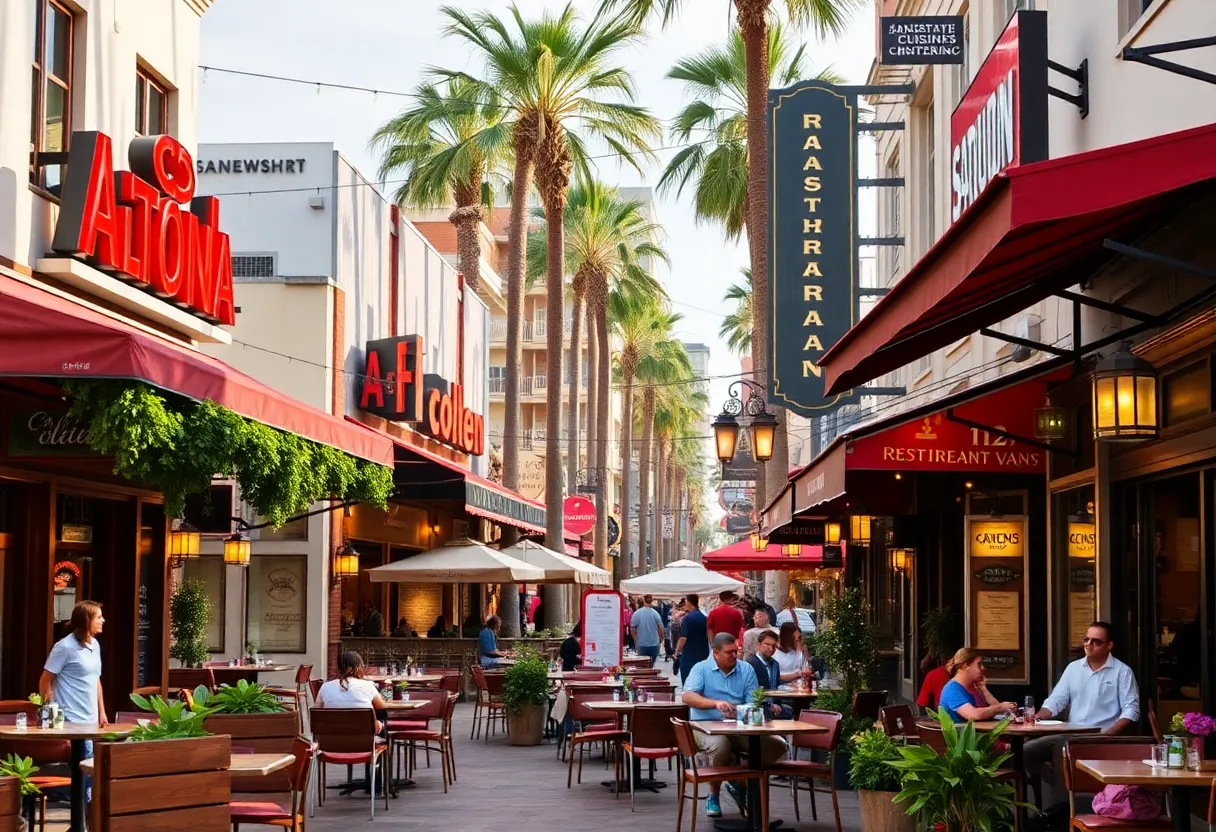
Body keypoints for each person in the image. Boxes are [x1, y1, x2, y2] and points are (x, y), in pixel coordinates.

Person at [1025, 622, 1140, 807]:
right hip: (1072, 732)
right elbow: (1057, 700)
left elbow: (1131, 710)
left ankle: (1066, 806)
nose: (1088, 644)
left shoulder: (1122, 672)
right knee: (1028, 750)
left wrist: (1109, 733)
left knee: (1061, 747)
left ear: (1109, 645)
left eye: (1096, 641)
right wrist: (1038, 716)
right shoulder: (1074, 668)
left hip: (1101, 735)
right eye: (1086, 639)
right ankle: (1053, 794)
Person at [683, 633, 788, 818]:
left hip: (739, 726)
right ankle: (714, 794)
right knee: (720, 745)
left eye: (736, 651)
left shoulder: (746, 669)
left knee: (778, 745)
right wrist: (715, 703)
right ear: (715, 652)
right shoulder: (701, 669)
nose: (734, 655)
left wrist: (740, 711)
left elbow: (754, 700)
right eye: (729, 652)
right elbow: (688, 696)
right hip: (704, 726)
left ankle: (740, 783)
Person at [41, 601, 107, 805]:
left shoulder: (94, 645)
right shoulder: (65, 647)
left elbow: (96, 680)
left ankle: (81, 819)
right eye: (98, 617)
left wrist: (102, 712)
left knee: (90, 775)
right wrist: (49, 715)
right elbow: (45, 680)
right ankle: (83, 823)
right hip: (71, 719)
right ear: (87, 620)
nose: (103, 620)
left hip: (91, 720)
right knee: (87, 776)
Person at [316, 650, 387, 733]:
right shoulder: (368, 686)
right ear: (359, 667)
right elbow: (382, 708)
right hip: (363, 742)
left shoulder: (325, 687)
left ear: (338, 667)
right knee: (381, 720)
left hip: (331, 741)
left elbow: (316, 713)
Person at [937, 648, 1017, 722]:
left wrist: (983, 689)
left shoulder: (970, 687)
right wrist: (1000, 707)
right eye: (979, 664)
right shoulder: (952, 689)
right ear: (965, 666)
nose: (983, 668)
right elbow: (973, 715)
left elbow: (998, 711)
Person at [675, 594, 710, 685]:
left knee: (688, 682)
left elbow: (683, 638)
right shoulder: (703, 617)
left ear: (689, 603)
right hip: (703, 653)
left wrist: (677, 652)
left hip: (690, 655)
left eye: (685, 602)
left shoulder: (687, 618)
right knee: (701, 681)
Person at [630, 595, 665, 663]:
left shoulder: (637, 613)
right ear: (652, 601)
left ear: (644, 600)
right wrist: (661, 639)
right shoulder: (655, 613)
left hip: (641, 644)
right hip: (654, 644)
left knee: (643, 665)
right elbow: (661, 627)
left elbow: (632, 629)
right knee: (652, 665)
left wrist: (635, 640)